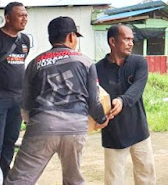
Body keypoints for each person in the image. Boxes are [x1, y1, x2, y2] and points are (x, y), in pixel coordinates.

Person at [5, 16, 109, 184]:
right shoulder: (86, 62)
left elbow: (25, 104)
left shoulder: (34, 63)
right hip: (75, 127)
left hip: (42, 125)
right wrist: (101, 119)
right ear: (70, 37)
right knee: (73, 180)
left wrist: (34, 122)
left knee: (19, 180)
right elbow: (94, 101)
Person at [96, 24, 156, 185]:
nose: (131, 43)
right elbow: (94, 97)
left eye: (132, 39)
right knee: (114, 179)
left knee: (146, 175)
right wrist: (98, 117)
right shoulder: (97, 69)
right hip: (113, 133)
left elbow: (137, 88)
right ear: (113, 41)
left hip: (139, 130)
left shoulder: (139, 63)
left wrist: (122, 100)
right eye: (127, 39)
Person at [0, 2, 29, 179]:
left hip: (18, 98)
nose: (24, 19)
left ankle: (4, 172)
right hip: (0, 98)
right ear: (8, 17)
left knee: (11, 139)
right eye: (20, 15)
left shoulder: (24, 40)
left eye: (26, 15)